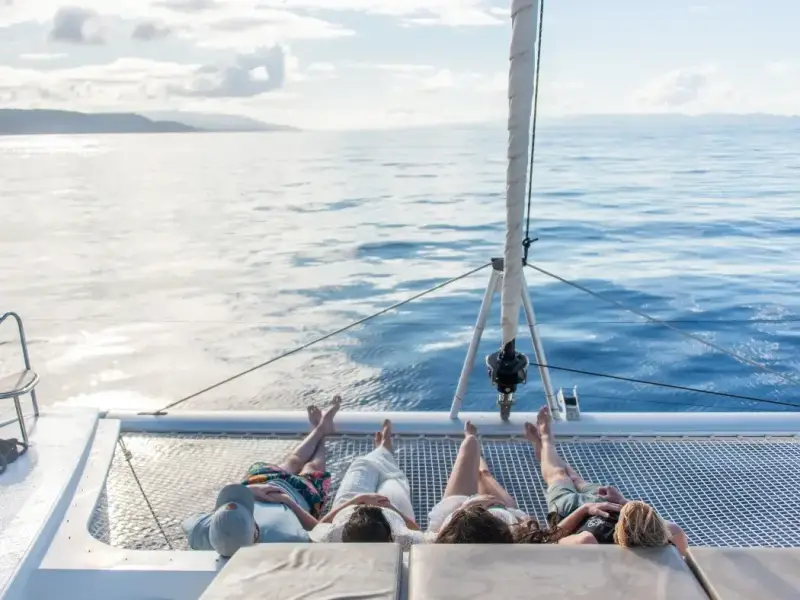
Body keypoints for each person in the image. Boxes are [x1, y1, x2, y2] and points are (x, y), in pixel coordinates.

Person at [516, 405, 689, 554]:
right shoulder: (669, 532)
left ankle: (545, 441)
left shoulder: (588, 540)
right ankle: (544, 447)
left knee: (558, 475)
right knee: (575, 479)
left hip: (572, 511)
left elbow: (552, 540)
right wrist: (622, 502)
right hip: (607, 503)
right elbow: (676, 544)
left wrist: (585, 509)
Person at [182, 397, 341, 557]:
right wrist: (287, 502)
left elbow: (187, 523)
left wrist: (250, 491)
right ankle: (322, 434)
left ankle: (319, 429)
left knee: (292, 461)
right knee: (310, 467)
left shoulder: (201, 532)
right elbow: (320, 532)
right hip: (298, 495)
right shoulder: (284, 536)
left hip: (260, 484)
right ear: (255, 531)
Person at [310, 419, 425, 549]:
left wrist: (357, 500)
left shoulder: (332, 537)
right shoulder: (400, 536)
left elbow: (320, 527)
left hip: (349, 508)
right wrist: (390, 507)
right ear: (390, 537)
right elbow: (419, 534)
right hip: (392, 514)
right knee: (393, 477)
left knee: (361, 464)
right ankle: (384, 449)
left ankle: (381, 450)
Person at [430, 420, 525, 544]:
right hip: (502, 511)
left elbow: (437, 538)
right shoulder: (517, 538)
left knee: (471, 444)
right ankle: (479, 465)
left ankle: (472, 441)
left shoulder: (442, 545)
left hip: (456, 521)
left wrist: (464, 509)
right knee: (484, 475)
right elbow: (528, 525)